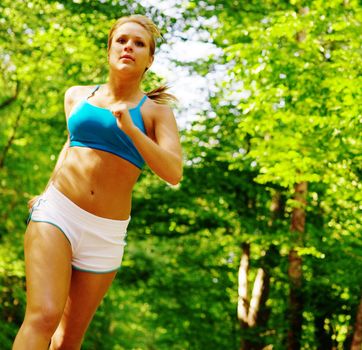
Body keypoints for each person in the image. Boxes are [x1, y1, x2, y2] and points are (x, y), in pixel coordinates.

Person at [13, 14, 183, 350]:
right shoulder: (77, 96)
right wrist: (46, 192)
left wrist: (132, 131)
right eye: (121, 40)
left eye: (139, 43)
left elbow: (173, 172)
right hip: (58, 212)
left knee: (68, 340)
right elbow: (71, 145)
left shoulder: (155, 113)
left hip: (105, 233)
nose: (128, 47)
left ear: (149, 59)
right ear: (109, 50)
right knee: (44, 315)